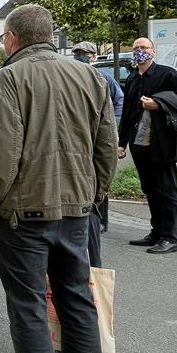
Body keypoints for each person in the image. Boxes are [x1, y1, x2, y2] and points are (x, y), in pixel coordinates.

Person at [0, 4, 117, 353]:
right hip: (76, 211)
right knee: (77, 304)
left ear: (11, 39)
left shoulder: (8, 80)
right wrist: (92, 196)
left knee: (29, 309)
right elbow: (107, 148)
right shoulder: (91, 77)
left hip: (24, 215)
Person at [118, 37, 177, 254]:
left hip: (162, 143)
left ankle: (170, 238)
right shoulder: (132, 78)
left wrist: (158, 104)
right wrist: (122, 143)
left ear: (153, 51)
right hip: (139, 144)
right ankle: (156, 232)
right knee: (149, 189)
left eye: (144, 47)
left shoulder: (168, 75)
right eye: (136, 48)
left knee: (167, 190)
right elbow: (127, 113)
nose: (140, 51)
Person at [71, 40, 124, 266]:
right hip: (80, 140)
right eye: (78, 53)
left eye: (84, 53)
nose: (81, 56)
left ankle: (101, 219)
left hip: (97, 137)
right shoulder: (71, 75)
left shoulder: (103, 78)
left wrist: (115, 125)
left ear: (93, 56)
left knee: (98, 180)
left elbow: (119, 100)